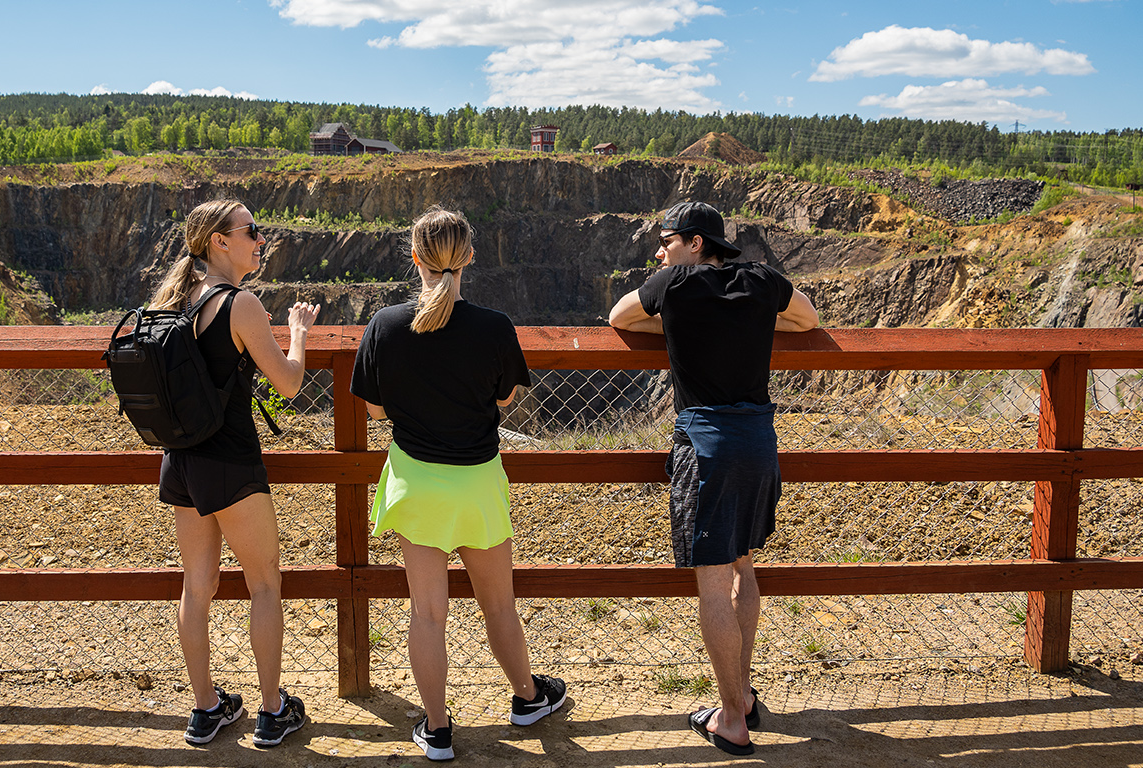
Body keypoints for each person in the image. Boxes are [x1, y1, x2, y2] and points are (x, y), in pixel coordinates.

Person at [350, 206, 567, 762]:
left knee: (427, 613)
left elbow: (375, 409)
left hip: (416, 483)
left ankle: (439, 729)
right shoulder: (494, 327)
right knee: (499, 605)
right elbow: (505, 397)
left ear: (415, 258)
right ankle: (527, 698)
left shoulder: (385, 325)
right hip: (476, 483)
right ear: (469, 256)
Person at [609, 201, 819, 757]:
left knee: (712, 585)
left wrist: (674, 317)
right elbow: (809, 319)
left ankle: (730, 721)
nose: (660, 253)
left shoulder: (675, 284)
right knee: (744, 565)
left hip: (707, 447)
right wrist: (751, 319)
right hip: (759, 441)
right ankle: (742, 697)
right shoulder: (761, 280)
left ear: (695, 243)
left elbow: (618, 317)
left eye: (667, 242)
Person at [149, 198, 320, 748]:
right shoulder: (239, 303)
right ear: (219, 241)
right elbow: (288, 383)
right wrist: (298, 331)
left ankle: (206, 709)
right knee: (264, 583)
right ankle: (272, 711)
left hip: (180, 461)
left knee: (196, 587)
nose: (261, 239)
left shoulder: (175, 298)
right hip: (229, 461)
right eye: (252, 231)